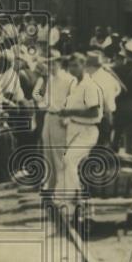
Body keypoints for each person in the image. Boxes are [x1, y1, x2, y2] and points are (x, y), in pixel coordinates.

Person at [57, 53, 102, 200]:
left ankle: (76, 195)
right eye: (70, 66)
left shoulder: (89, 85)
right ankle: (68, 196)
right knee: (69, 163)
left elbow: (94, 112)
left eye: (76, 65)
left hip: (87, 130)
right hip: (73, 127)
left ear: (84, 66)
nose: (72, 69)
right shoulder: (75, 84)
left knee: (69, 159)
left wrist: (69, 111)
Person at [32, 52, 75, 193]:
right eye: (49, 63)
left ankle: (61, 185)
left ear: (60, 63)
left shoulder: (69, 79)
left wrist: (68, 117)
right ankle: (49, 183)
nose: (51, 66)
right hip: (48, 116)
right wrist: (44, 83)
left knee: (59, 152)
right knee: (47, 151)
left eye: (54, 62)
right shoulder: (46, 78)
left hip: (61, 117)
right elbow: (36, 95)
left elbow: (73, 99)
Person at [112, 40, 132, 155]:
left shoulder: (114, 70)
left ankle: (112, 163)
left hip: (118, 107)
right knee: (130, 142)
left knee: (116, 137)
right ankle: (130, 167)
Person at [87, 52, 121, 148]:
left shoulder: (96, 78)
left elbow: (107, 100)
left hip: (99, 116)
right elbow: (118, 89)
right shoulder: (107, 76)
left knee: (96, 149)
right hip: (104, 115)